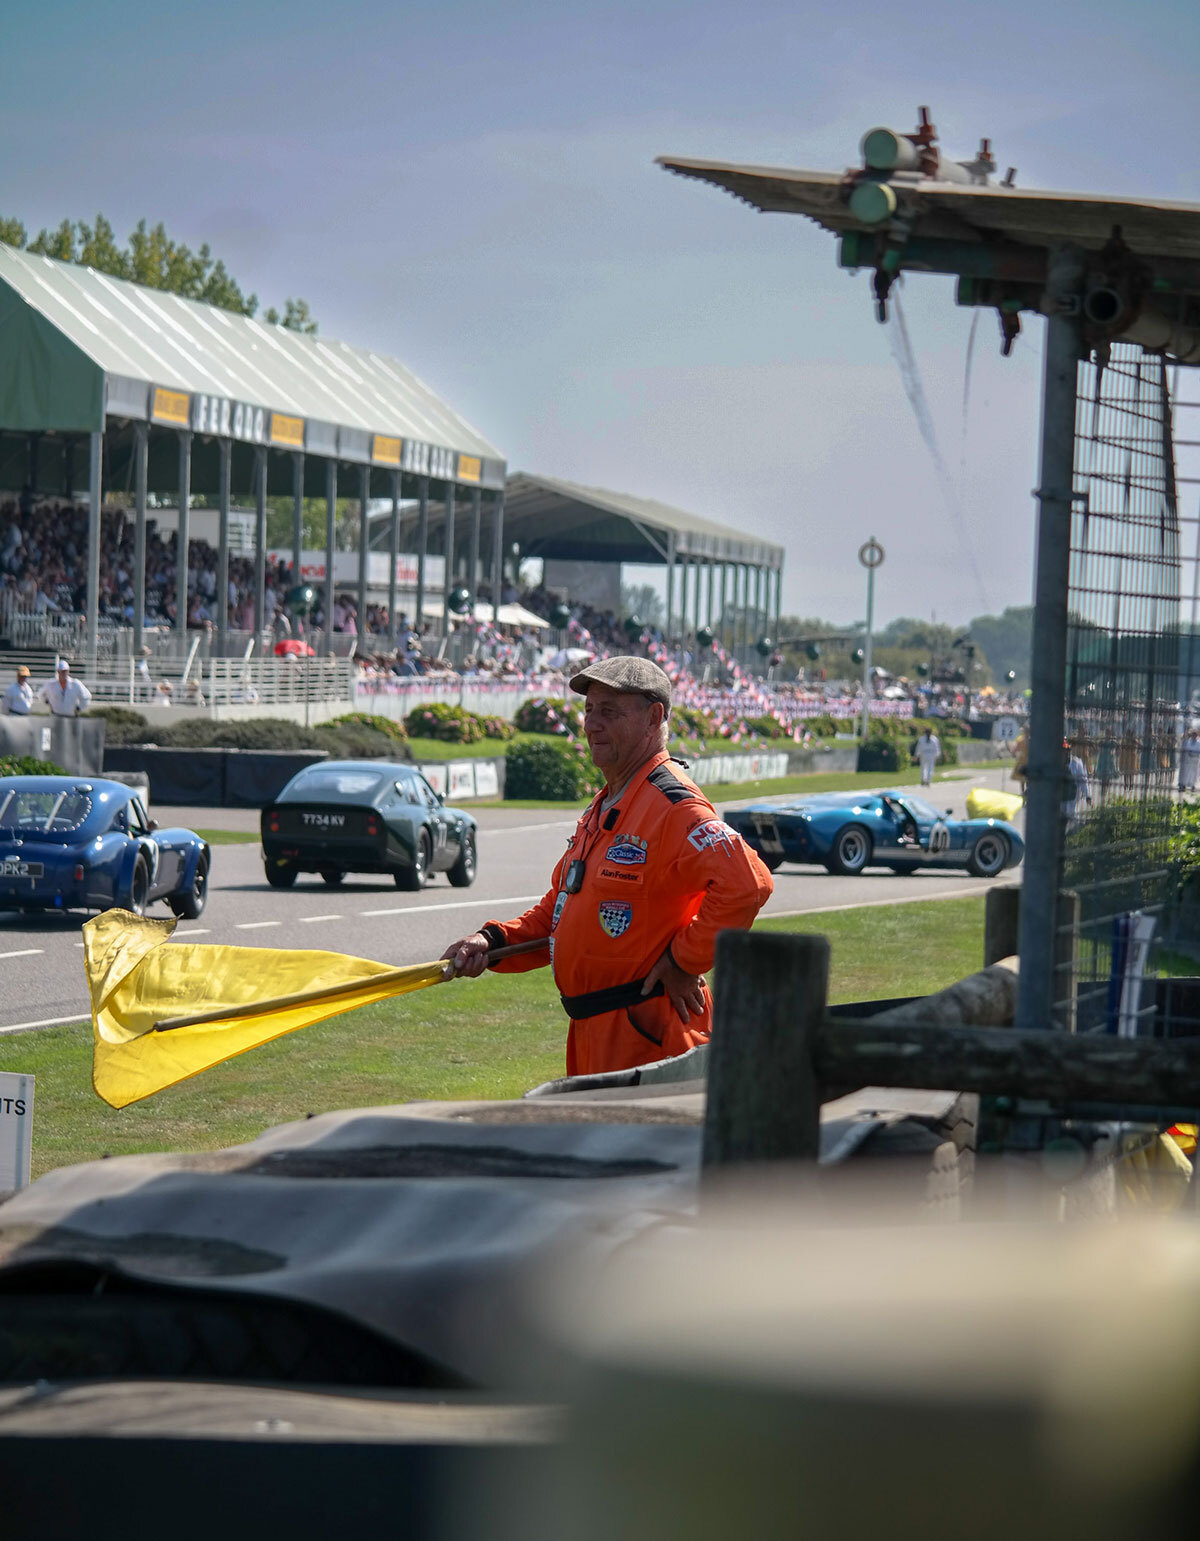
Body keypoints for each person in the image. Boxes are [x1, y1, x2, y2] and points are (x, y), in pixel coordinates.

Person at [442, 656, 774, 1077]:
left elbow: (748, 884)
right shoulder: (608, 803)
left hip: (646, 1032)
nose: (591, 724)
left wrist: (685, 961)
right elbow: (561, 909)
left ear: (654, 718)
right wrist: (492, 942)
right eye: (589, 710)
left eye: (610, 712)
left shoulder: (674, 804)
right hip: (594, 1030)